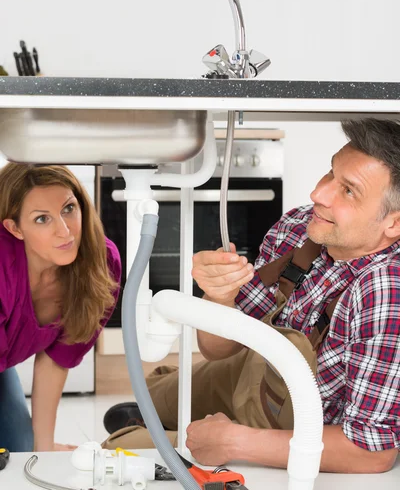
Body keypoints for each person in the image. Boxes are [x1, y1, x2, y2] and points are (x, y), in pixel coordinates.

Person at [103, 118, 400, 474]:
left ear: (394, 224)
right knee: (144, 401)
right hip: (253, 373)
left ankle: (177, 428)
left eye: (348, 191)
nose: (318, 195)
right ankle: (165, 412)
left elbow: (371, 452)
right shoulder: (300, 228)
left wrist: (235, 441)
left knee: (119, 449)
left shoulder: (385, 289)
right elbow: (220, 348)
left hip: (298, 427)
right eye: (329, 174)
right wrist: (219, 297)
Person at [0, 163, 121, 453]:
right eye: (42, 219)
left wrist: (42, 452)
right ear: (14, 228)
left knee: (22, 450)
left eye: (68, 208)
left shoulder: (100, 263)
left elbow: (56, 361)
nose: (65, 231)